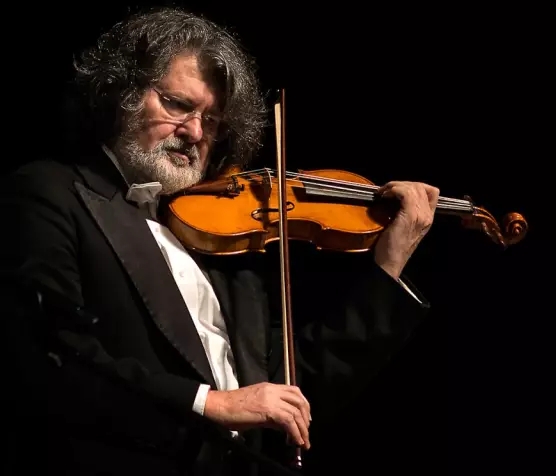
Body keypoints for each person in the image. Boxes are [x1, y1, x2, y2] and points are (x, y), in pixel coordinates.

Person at [0, 6, 438, 476]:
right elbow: (49, 355)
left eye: (211, 121)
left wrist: (388, 268)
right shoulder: (51, 193)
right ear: (121, 94)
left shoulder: (220, 246)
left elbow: (291, 391)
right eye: (176, 104)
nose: (194, 132)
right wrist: (211, 404)